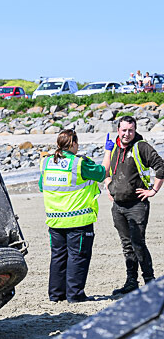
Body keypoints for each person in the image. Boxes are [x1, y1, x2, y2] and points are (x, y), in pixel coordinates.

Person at [40, 130, 106, 303]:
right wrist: (108, 152)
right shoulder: (79, 164)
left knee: (58, 257)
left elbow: (42, 186)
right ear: (73, 144)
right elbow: (102, 173)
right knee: (78, 257)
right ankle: (75, 295)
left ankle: (56, 295)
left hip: (55, 219)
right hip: (78, 220)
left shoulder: (47, 162)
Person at [103, 116, 164, 295]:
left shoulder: (141, 146)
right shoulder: (113, 147)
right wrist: (109, 185)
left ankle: (150, 281)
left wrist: (153, 190)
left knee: (138, 243)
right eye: (124, 130)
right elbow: (105, 171)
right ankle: (131, 281)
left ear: (135, 130)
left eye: (130, 130)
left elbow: (161, 167)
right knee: (127, 245)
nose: (127, 134)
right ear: (118, 130)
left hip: (137, 205)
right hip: (118, 206)